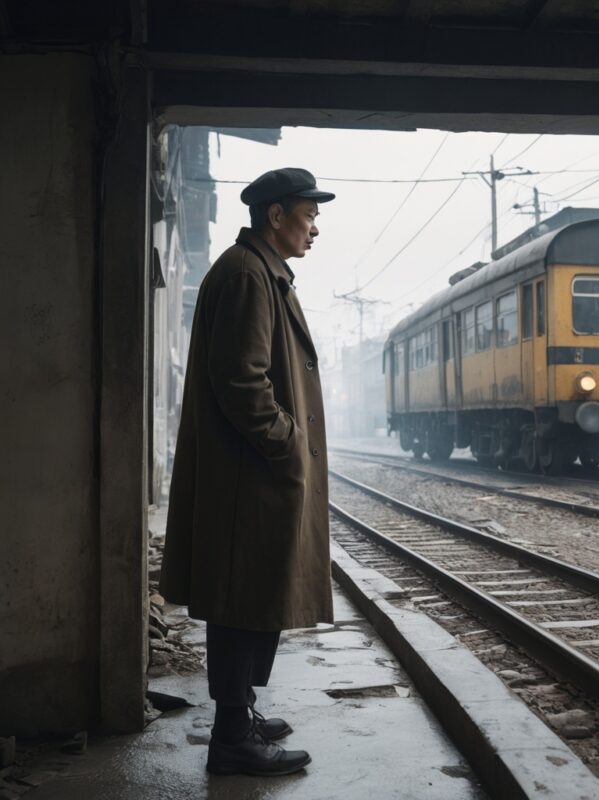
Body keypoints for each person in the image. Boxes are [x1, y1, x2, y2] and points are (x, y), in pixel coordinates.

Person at [159, 167, 335, 777]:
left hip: (254, 474)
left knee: (255, 593)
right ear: (276, 216)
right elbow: (242, 382)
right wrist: (287, 443)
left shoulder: (260, 271)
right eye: (309, 216)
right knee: (241, 598)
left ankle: (243, 713)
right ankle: (232, 736)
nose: (315, 229)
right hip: (250, 475)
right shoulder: (246, 275)